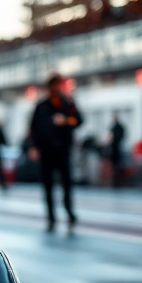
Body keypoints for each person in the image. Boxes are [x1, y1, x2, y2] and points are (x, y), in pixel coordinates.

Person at [29, 74, 83, 230]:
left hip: (63, 149)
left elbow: (79, 120)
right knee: (47, 183)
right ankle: (51, 215)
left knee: (67, 182)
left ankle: (69, 210)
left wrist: (65, 121)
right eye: (56, 85)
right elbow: (33, 128)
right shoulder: (42, 106)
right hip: (46, 150)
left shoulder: (68, 104)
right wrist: (33, 147)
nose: (58, 88)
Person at [108, 113, 126, 188]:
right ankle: (115, 181)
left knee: (117, 165)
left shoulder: (117, 127)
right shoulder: (114, 127)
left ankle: (117, 181)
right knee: (115, 165)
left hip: (117, 148)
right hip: (114, 148)